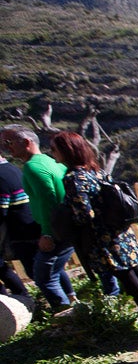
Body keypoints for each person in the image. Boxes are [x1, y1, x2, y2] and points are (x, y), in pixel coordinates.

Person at [51, 131, 138, 318]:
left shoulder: (74, 178)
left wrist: (69, 221)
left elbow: (84, 214)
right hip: (119, 230)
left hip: (102, 236)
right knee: (135, 268)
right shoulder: (96, 171)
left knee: (125, 274)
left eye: (54, 149)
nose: (52, 153)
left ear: (66, 150)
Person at [0, 125, 77, 312]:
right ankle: (71, 302)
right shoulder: (48, 161)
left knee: (43, 277)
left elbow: (48, 200)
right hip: (56, 228)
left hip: (40, 231)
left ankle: (65, 312)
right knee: (52, 270)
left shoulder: (32, 167)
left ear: (27, 142)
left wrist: (48, 233)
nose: (6, 148)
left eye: (9, 142)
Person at [0, 149, 39, 296]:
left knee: (39, 273)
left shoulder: (1, 175)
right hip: (28, 226)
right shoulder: (12, 168)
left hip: (19, 230)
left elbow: (1, 209)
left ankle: (21, 298)